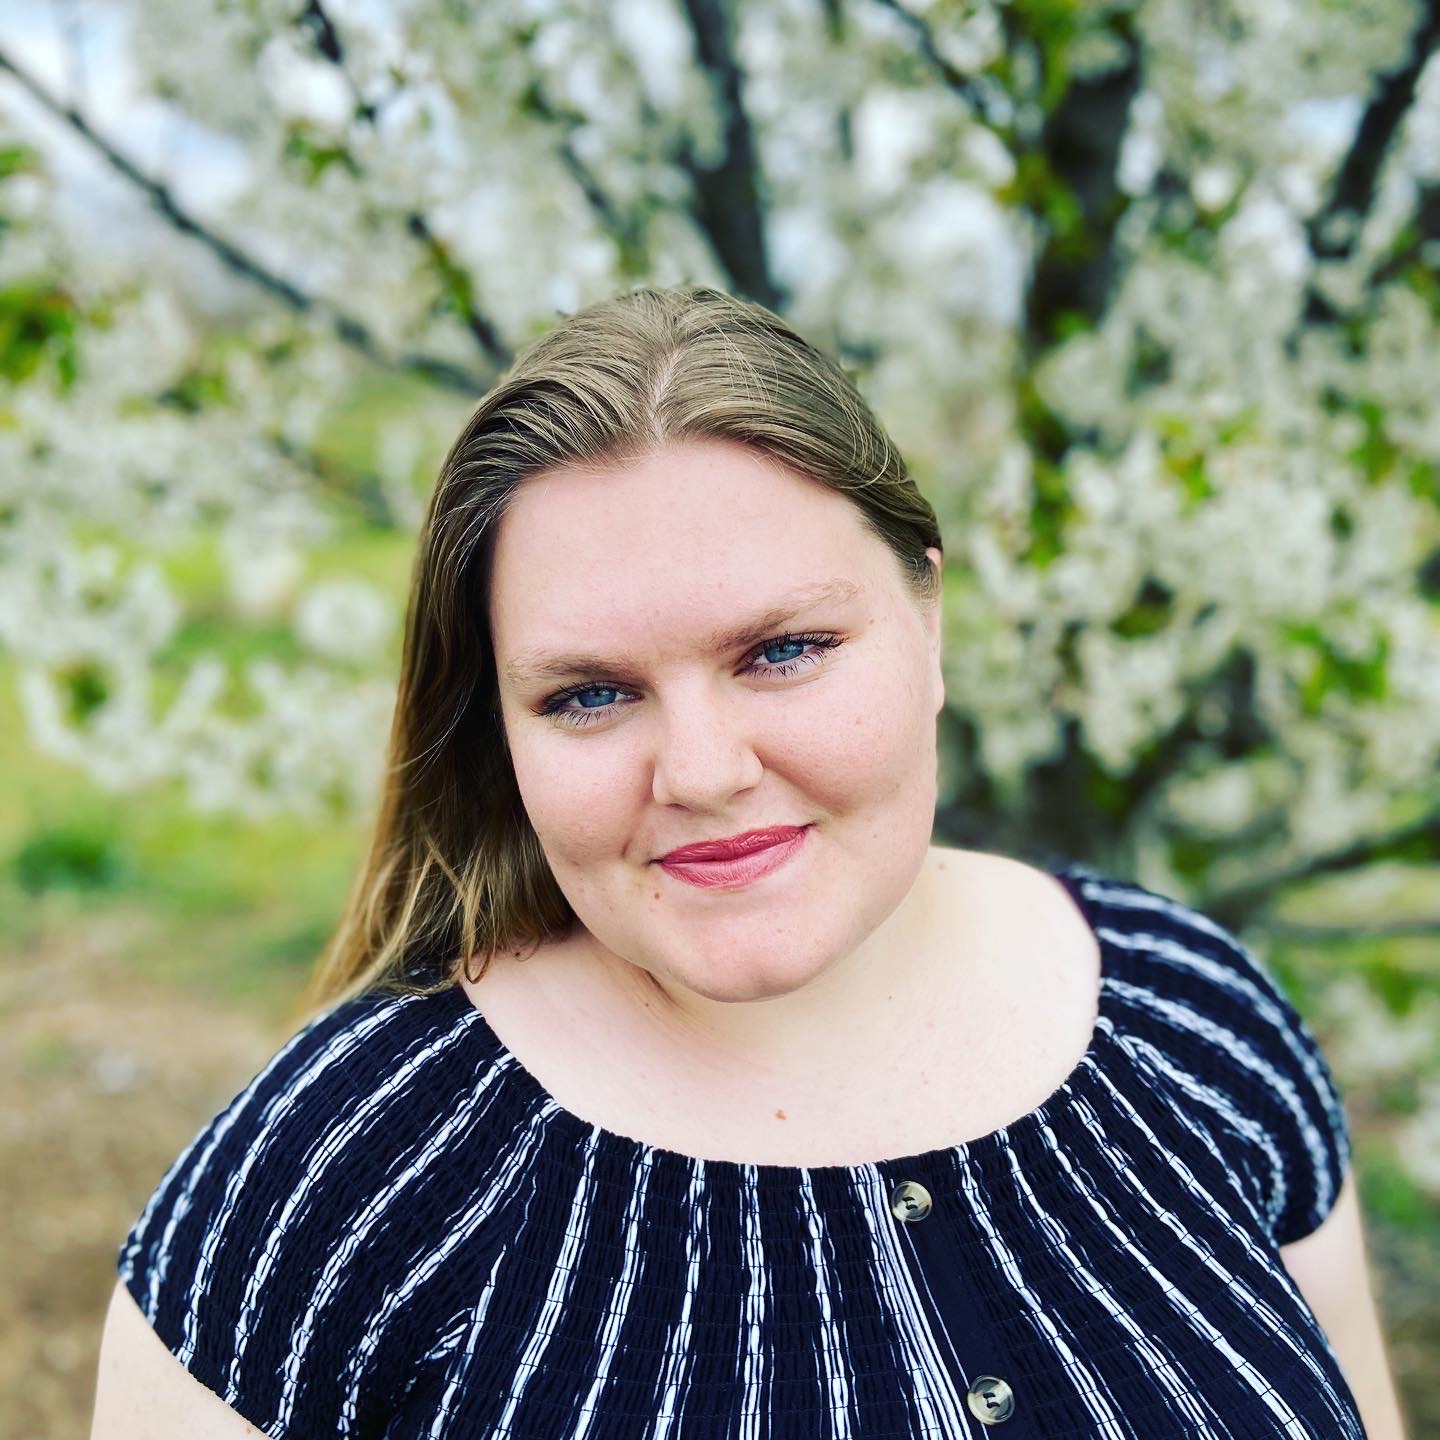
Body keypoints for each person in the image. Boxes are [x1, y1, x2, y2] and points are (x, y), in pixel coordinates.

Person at [90, 284, 1407, 1439]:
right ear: (498, 723)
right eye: (589, 696)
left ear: (928, 619)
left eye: (781, 651)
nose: (704, 771)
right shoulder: (339, 1173)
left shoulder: (1197, 1020)